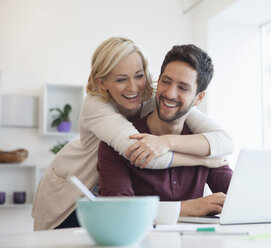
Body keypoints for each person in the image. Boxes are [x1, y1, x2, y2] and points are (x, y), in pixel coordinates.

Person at [31, 37, 233, 230]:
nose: (133, 87)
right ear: (102, 83)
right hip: (71, 191)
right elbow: (146, 156)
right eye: (121, 79)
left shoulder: (157, 96)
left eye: (139, 76)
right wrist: (203, 160)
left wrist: (169, 142)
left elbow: (223, 141)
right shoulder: (96, 107)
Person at [98, 44, 233, 216]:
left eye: (183, 88)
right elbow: (118, 212)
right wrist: (187, 208)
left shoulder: (205, 145)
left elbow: (241, 198)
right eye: (166, 82)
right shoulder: (117, 143)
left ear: (199, 98)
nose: (170, 93)